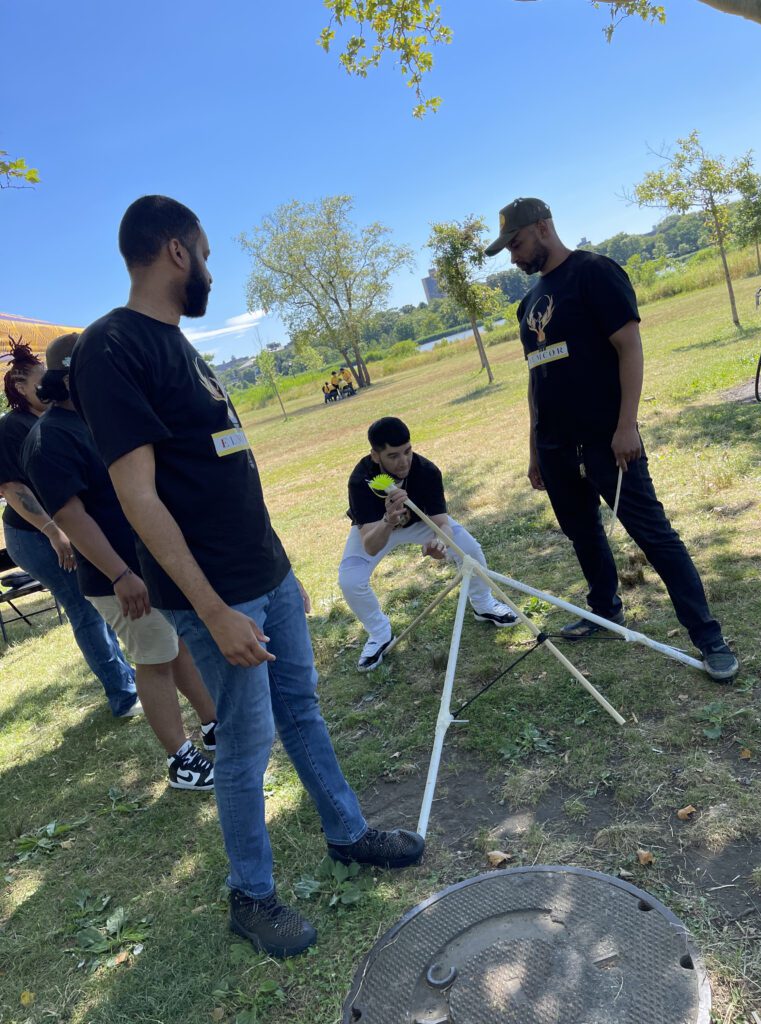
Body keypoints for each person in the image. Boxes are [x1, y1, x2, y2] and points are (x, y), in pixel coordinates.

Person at [70, 195, 424, 959]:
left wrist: (282, 568)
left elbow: (230, 468)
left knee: (303, 711)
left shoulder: (181, 346)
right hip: (218, 594)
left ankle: (347, 833)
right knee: (246, 745)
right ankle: (251, 897)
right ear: (175, 252)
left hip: (263, 574)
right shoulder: (112, 348)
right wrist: (214, 610)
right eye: (204, 252)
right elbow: (138, 498)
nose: (208, 268)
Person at [484, 196, 738, 682]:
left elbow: (629, 347)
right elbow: (537, 380)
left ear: (542, 227)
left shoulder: (595, 272)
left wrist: (627, 425)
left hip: (606, 440)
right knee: (582, 532)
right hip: (556, 447)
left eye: (516, 244)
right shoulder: (527, 304)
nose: (513, 257)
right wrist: (535, 448)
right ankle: (605, 608)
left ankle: (708, 636)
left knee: (654, 536)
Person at [22, 333, 217, 790]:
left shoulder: (97, 419)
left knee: (176, 644)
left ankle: (212, 724)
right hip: (117, 576)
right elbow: (71, 514)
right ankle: (180, 760)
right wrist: (121, 574)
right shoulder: (49, 438)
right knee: (153, 659)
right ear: (69, 377)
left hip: (146, 562)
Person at [0, 339, 140, 717]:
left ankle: (125, 678)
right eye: (41, 380)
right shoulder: (14, 427)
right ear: (20, 386)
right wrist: (53, 531)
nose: (50, 385)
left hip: (56, 526)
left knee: (93, 604)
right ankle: (123, 694)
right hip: (33, 534)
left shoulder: (54, 419)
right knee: (84, 606)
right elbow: (14, 490)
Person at [339, 417, 519, 672]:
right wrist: (388, 520)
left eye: (407, 451)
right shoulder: (361, 481)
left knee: (470, 549)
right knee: (350, 580)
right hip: (380, 527)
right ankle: (380, 633)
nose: (403, 461)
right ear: (375, 455)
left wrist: (440, 543)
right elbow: (369, 545)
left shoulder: (427, 471)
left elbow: (442, 524)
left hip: (420, 524)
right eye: (393, 455)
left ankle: (483, 604)